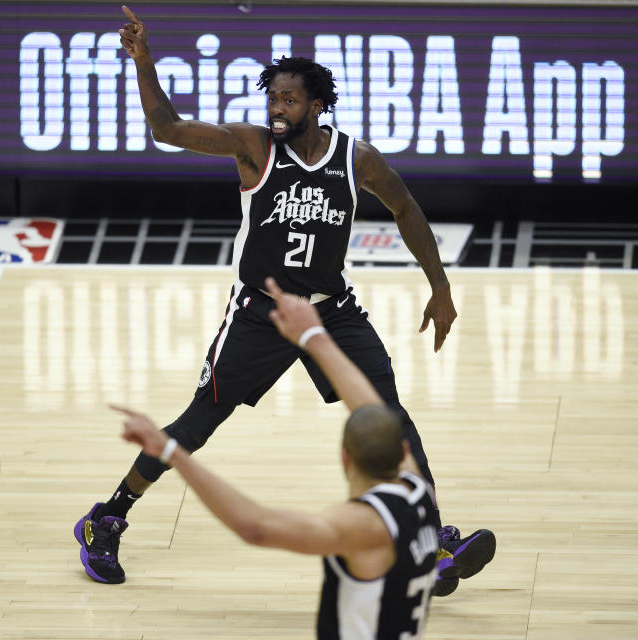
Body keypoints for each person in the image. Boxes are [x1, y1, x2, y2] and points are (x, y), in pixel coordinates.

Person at [74, 5, 495, 596]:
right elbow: (166, 129)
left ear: (316, 106)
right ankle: (106, 518)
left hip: (331, 310)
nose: (277, 108)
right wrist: (143, 60)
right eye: (272, 97)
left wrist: (441, 286)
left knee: (388, 419)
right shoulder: (252, 148)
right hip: (260, 312)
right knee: (197, 425)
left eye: (290, 100)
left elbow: (406, 209)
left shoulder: (356, 158)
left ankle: (429, 537)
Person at [117, 277, 440, 639]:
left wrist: (172, 452)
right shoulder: (420, 495)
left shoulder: (360, 527)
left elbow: (254, 527)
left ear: (344, 457)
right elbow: (370, 403)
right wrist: (314, 337)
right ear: (404, 451)